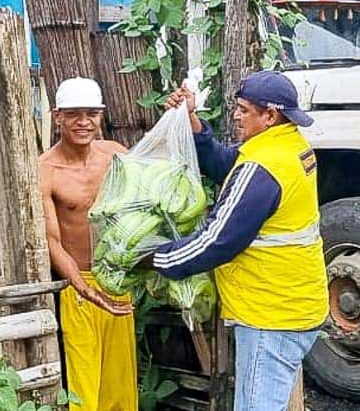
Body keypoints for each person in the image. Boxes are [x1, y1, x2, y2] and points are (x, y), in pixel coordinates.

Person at [149, 70, 328, 411]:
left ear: (270, 115)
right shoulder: (289, 147)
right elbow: (228, 165)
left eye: (244, 109)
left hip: (271, 316)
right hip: (293, 304)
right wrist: (192, 121)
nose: (235, 115)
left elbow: (216, 241)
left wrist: (157, 258)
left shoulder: (263, 167)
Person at [39, 77, 137, 411]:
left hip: (117, 280)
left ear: (101, 116)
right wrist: (83, 287)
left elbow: (149, 202)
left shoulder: (116, 155)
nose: (84, 122)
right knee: (85, 382)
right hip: (78, 287)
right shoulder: (45, 170)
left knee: (120, 381)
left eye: (91, 114)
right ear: (58, 117)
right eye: (74, 114)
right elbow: (52, 241)